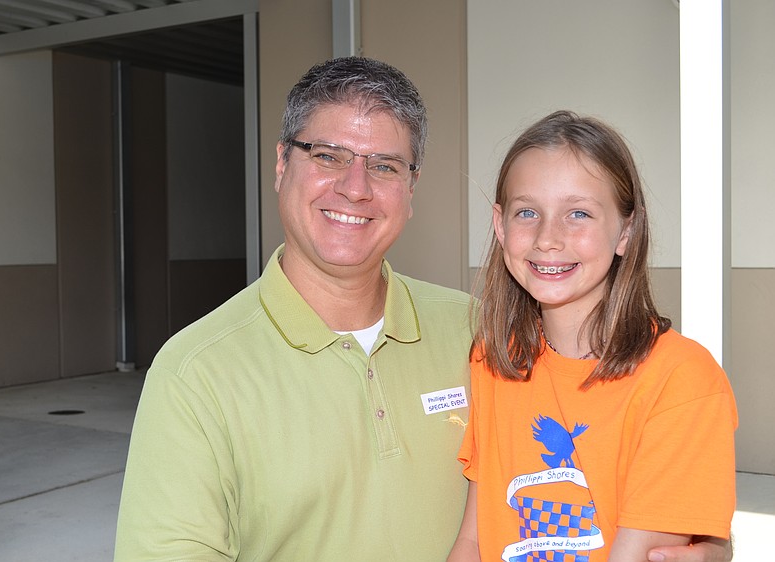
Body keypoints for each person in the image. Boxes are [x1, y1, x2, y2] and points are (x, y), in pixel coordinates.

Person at [114, 59, 732, 561]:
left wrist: (707, 541)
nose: (355, 187)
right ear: (281, 163)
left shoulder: (479, 335)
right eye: (328, 155)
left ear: (411, 188)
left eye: (384, 165)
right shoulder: (195, 372)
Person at [447, 110, 737, 562]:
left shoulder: (682, 379)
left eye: (578, 213)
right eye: (528, 212)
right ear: (500, 227)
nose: (547, 237)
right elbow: (473, 539)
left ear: (626, 230)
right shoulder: (494, 360)